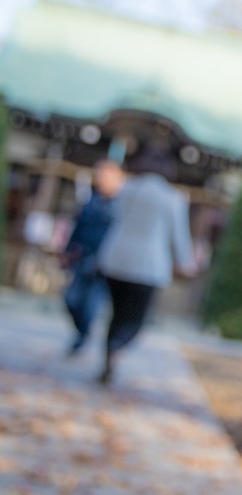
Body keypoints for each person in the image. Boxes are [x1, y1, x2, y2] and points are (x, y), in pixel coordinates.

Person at [96, 143, 196, 385]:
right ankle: (117, 348)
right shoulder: (173, 198)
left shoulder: (126, 189)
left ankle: (110, 351)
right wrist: (185, 261)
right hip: (148, 265)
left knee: (117, 313)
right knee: (136, 318)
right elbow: (178, 235)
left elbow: (110, 217)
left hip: (116, 259)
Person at [60, 158, 124, 355]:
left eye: (104, 175)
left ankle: (82, 336)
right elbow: (78, 228)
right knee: (70, 299)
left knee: (91, 306)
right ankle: (82, 331)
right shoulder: (92, 201)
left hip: (104, 265)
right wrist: (68, 251)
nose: (100, 179)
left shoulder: (122, 206)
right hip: (82, 258)